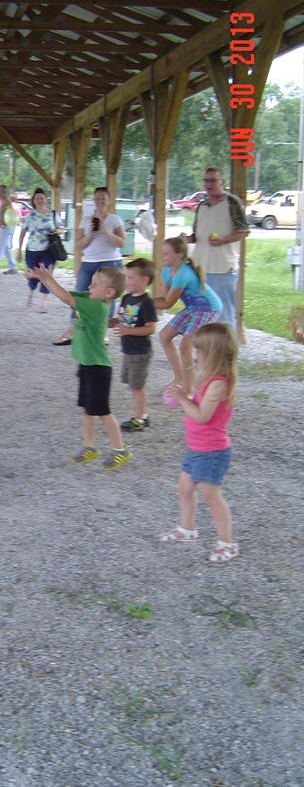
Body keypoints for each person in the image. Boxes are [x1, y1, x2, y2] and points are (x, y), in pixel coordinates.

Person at [26, 263, 132, 471]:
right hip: (87, 365)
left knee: (103, 411)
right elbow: (67, 294)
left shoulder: (96, 306)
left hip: (98, 368)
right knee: (87, 409)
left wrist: (47, 278)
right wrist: (43, 279)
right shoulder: (90, 298)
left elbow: (67, 298)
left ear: (109, 293)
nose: (89, 287)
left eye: (94, 285)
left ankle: (120, 450)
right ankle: (89, 446)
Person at [159, 322, 239, 563]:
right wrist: (187, 396)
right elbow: (201, 406)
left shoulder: (219, 383)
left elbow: (202, 416)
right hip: (197, 448)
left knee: (211, 495)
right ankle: (187, 528)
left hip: (212, 451)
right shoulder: (210, 380)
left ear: (212, 354)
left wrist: (183, 399)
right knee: (184, 486)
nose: (196, 356)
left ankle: (227, 543)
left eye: (199, 351)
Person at [53, 186, 125, 346]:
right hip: (89, 261)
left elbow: (121, 242)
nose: (99, 201)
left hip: (110, 260)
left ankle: (102, 331)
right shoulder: (86, 220)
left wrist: (106, 231)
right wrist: (91, 233)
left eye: (103, 198)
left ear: (108, 200)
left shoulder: (114, 219)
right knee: (80, 291)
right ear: (93, 201)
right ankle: (72, 329)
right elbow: (79, 245)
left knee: (108, 296)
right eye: (97, 198)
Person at [155, 236, 222, 404]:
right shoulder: (166, 271)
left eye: (166, 254)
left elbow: (168, 303)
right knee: (164, 336)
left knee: (186, 346)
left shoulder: (183, 274)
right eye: (162, 253)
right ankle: (179, 379)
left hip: (208, 307)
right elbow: (164, 299)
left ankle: (189, 388)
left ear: (179, 255)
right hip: (193, 308)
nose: (162, 257)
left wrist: (143, 301)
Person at [185, 167, 249, 328]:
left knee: (224, 314)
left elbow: (244, 231)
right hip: (199, 268)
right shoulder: (201, 206)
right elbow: (197, 235)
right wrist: (186, 239)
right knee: (202, 312)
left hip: (222, 268)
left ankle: (228, 351)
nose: (209, 184)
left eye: (213, 180)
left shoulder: (231, 202)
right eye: (206, 180)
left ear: (222, 182)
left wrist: (224, 240)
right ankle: (206, 350)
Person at [112, 258, 157, 432]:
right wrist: (113, 321)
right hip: (128, 350)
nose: (126, 282)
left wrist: (128, 331)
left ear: (145, 280)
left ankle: (139, 419)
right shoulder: (126, 298)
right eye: (126, 277)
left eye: (131, 278)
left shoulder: (146, 303)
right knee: (132, 384)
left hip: (140, 351)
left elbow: (150, 328)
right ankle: (142, 414)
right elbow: (123, 319)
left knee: (137, 386)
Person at [17, 188, 63, 313]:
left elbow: (61, 229)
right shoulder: (29, 216)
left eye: (42, 198)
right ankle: (31, 293)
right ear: (34, 200)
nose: (40, 200)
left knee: (46, 275)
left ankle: (44, 302)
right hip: (32, 249)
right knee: (33, 275)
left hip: (49, 250)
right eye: (37, 198)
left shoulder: (52, 214)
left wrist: (57, 231)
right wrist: (19, 250)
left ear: (45, 199)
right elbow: (22, 233)